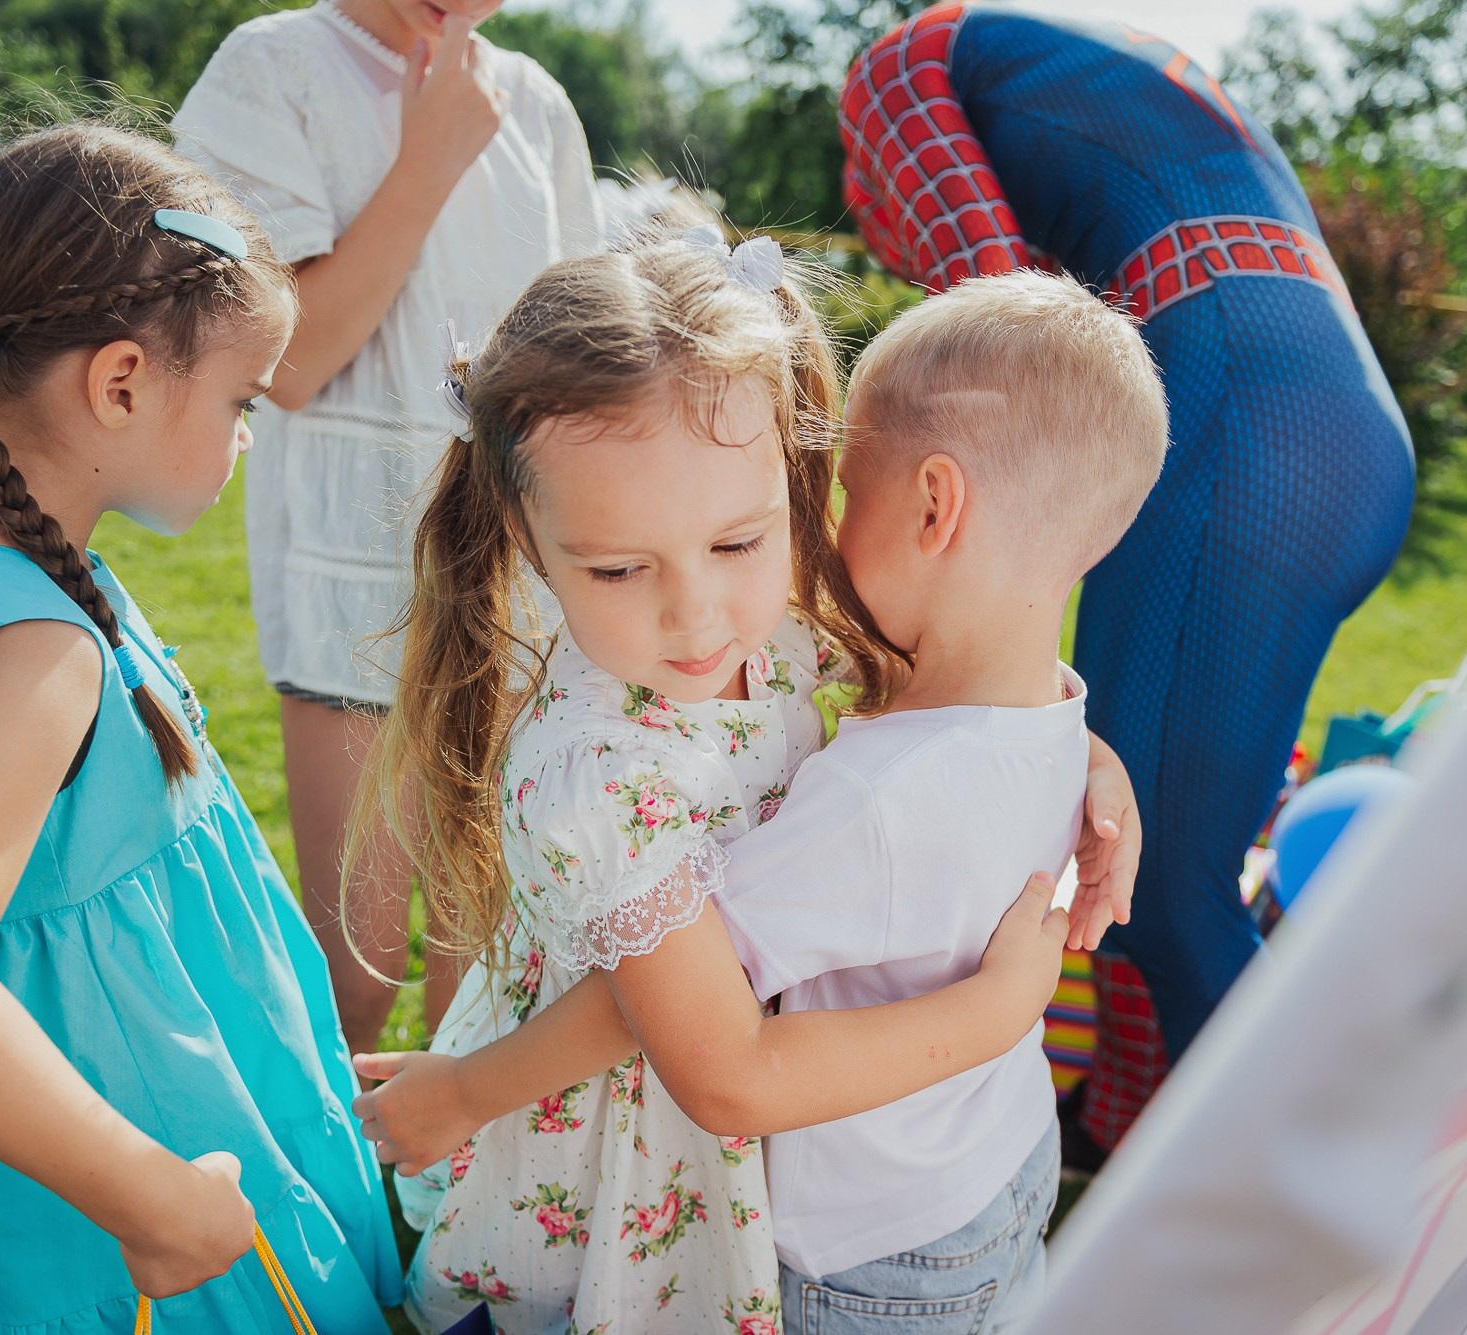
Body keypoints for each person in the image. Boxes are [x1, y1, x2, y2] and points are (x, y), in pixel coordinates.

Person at [344, 229, 1142, 1333]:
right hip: (621, 1141)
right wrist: (1005, 1006)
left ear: (789, 481)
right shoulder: (598, 773)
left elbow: (966, 695)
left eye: (737, 543)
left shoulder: (778, 633)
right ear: (527, 532)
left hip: (772, 1140)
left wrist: (1090, 768)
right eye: (618, 569)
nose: (695, 616)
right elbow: (698, 1044)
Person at [0, 125, 398, 1332]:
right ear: (120, 382)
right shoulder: (34, 648)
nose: (243, 434)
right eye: (238, 400)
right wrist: (152, 1201)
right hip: (110, 1170)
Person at [840, 7, 1417, 1157]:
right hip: (1333, 423)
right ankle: (1123, 1135)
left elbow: (999, 365)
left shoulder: (890, 78)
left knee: (1167, 891)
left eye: (873, 226)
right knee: (1157, 847)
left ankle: (1312, 1207)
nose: (879, 240)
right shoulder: (1078, 66)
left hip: (1246, 431)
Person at [173, 1, 605, 1045]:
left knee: (482, 963)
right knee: (354, 976)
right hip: (349, 588)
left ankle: (449, 1196)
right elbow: (290, 359)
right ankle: (340, 1192)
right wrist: (429, 157)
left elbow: (580, 349)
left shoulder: (539, 106)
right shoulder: (271, 69)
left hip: (512, 579)